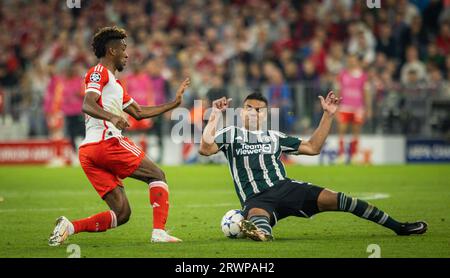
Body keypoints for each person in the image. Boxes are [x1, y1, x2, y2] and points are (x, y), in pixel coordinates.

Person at [199, 93, 427, 241]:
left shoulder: (275, 136)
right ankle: (257, 231)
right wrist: (215, 115)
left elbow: (313, 147)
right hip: (257, 199)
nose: (253, 112)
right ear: (241, 111)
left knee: (342, 200)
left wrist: (328, 115)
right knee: (261, 226)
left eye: (258, 109)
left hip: (287, 188)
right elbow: (206, 149)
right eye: (248, 107)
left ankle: (399, 227)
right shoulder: (231, 134)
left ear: (265, 114)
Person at [49, 26, 190, 246]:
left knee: (122, 213)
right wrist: (112, 118)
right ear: (112, 51)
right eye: (124, 49)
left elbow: (139, 112)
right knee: (157, 175)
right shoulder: (98, 72)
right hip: (107, 142)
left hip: (89, 154)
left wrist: (174, 103)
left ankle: (70, 226)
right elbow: (87, 103)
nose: (127, 54)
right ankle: (159, 232)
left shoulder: (116, 85)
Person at [336, 54, 372, 164]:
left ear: (357, 61)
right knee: (342, 130)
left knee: (356, 131)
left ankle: (354, 155)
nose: (351, 62)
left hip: (358, 107)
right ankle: (341, 155)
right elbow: (338, 90)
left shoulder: (363, 76)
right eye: (350, 60)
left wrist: (368, 108)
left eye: (353, 60)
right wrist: (336, 106)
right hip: (344, 107)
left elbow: (366, 92)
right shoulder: (342, 74)